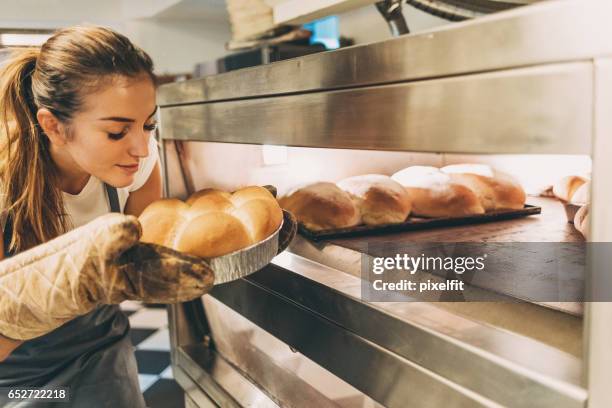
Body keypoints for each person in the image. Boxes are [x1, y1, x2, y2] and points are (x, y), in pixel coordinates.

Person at [0, 25, 187, 407]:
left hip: (105, 354)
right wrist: (66, 291)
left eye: (148, 124)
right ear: (53, 126)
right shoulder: (6, 193)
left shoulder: (140, 164)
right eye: (117, 132)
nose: (141, 147)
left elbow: (136, 263)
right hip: (20, 378)